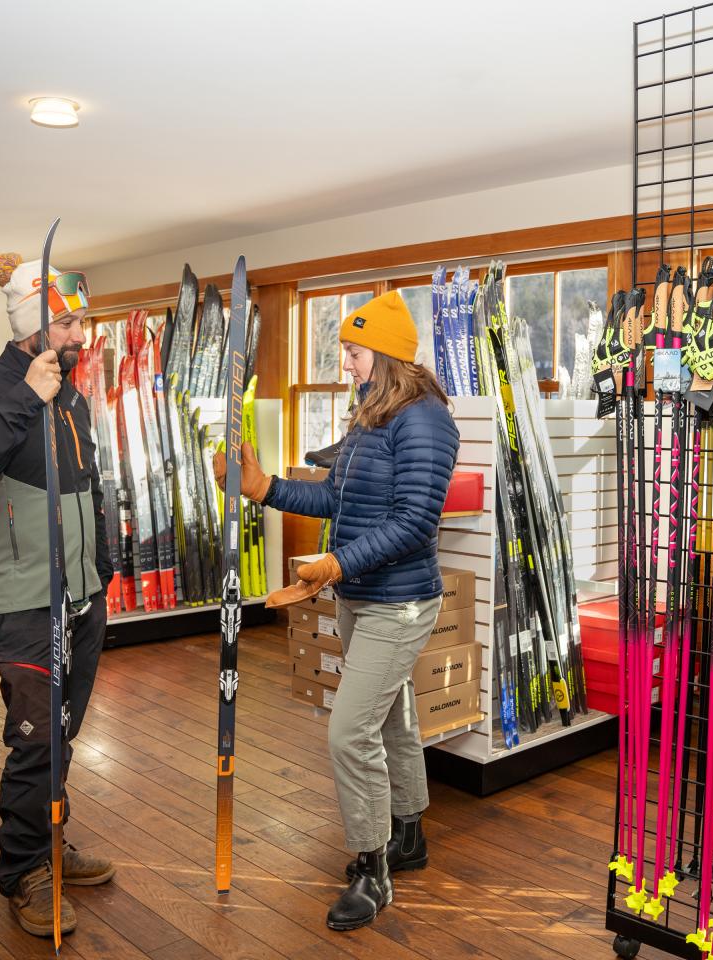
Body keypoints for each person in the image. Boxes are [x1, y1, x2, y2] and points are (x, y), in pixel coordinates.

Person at [217, 290, 459, 931]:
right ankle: (407, 834)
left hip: (400, 603)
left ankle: (373, 870)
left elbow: (413, 524)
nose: (345, 363)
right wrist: (264, 489)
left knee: (348, 731)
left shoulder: (424, 419)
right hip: (361, 598)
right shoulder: (370, 414)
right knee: (391, 723)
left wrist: (334, 566)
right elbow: (339, 504)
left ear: (383, 353)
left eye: (352, 351)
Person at [0, 252, 116, 939]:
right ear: (30, 326)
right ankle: (23, 872)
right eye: (67, 323)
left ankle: (51, 838)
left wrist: (103, 575)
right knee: (36, 736)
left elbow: (88, 491)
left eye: (81, 322)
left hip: (82, 595)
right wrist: (27, 398)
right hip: (21, 598)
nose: (79, 335)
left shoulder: (73, 394)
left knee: (62, 733)